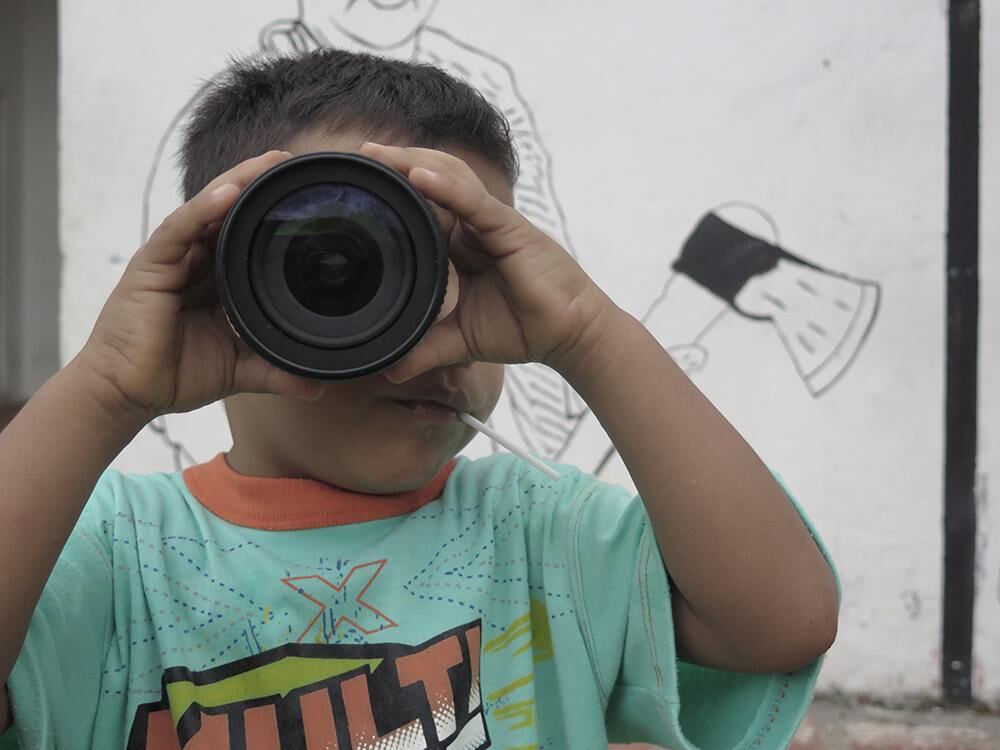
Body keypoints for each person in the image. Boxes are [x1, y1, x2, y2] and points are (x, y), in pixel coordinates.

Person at [0, 49, 839, 749]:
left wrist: (586, 330)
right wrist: (107, 388)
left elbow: (780, 623)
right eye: (345, 262)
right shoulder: (106, 555)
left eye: (465, 267)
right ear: (224, 287)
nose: (421, 327)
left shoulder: (547, 537)